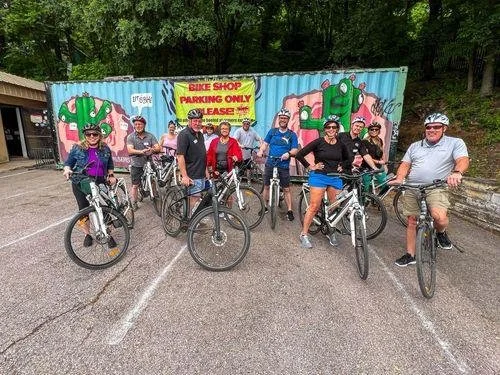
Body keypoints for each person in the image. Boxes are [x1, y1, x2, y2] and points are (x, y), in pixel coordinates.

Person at [391, 113, 469, 267]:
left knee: (439, 217)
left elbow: (462, 160)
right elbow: (405, 164)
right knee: (412, 221)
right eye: (429, 127)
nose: (432, 130)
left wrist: (457, 173)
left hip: (436, 187)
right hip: (413, 186)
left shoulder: (455, 143)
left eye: (436, 127)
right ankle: (410, 254)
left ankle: (440, 232)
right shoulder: (415, 146)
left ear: (444, 128)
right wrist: (400, 178)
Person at [295, 116, 351, 248]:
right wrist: (310, 167)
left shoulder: (341, 144)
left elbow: (349, 159)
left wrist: (342, 165)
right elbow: (299, 154)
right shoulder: (319, 142)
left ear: (337, 129)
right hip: (319, 176)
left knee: (334, 207)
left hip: (335, 177)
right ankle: (304, 234)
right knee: (314, 206)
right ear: (325, 129)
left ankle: (330, 230)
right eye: (328, 127)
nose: (331, 129)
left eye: (334, 127)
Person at [62, 123, 117, 247]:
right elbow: (68, 163)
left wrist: (111, 175)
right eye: (88, 134)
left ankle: (107, 233)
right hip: (80, 182)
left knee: (104, 208)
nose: (92, 136)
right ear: (85, 135)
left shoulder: (105, 149)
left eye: (95, 134)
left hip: (99, 181)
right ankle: (87, 234)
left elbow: (110, 164)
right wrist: (67, 169)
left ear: (99, 135)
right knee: (83, 209)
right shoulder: (77, 148)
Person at [257, 108, 299, 221]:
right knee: (266, 186)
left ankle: (289, 210)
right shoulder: (272, 132)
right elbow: (265, 144)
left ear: (288, 120)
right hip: (270, 162)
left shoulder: (292, 135)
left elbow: (295, 150)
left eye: (285, 118)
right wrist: (261, 151)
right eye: (281, 118)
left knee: (286, 189)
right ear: (278, 119)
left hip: (283, 165)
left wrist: (289, 153)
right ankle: (265, 207)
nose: (283, 120)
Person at [126, 115, 160, 210]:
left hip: (149, 162)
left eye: (140, 124)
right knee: (135, 185)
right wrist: (141, 152)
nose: (138, 126)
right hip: (136, 164)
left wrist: (152, 149)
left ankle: (155, 194)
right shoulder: (131, 137)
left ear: (144, 125)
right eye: (136, 124)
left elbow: (158, 147)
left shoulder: (150, 136)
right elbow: (130, 150)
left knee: (154, 180)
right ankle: (134, 202)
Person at [177, 108, 208, 213]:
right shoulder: (184, 135)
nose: (197, 123)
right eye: (195, 121)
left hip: (201, 174)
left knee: (198, 199)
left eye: (199, 121)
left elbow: (202, 154)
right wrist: (184, 176)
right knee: (193, 200)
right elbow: (180, 156)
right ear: (189, 121)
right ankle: (187, 221)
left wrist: (206, 170)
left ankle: (194, 218)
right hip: (192, 175)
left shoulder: (200, 135)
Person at [361, 122, 388, 193]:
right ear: (369, 131)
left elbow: (382, 152)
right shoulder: (365, 141)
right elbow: (366, 156)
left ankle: (377, 200)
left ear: (379, 131)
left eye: (376, 129)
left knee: (385, 184)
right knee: (365, 189)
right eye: (372, 129)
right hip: (367, 168)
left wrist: (384, 164)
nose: (374, 131)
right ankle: (362, 203)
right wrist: (378, 161)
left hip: (378, 167)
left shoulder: (380, 140)